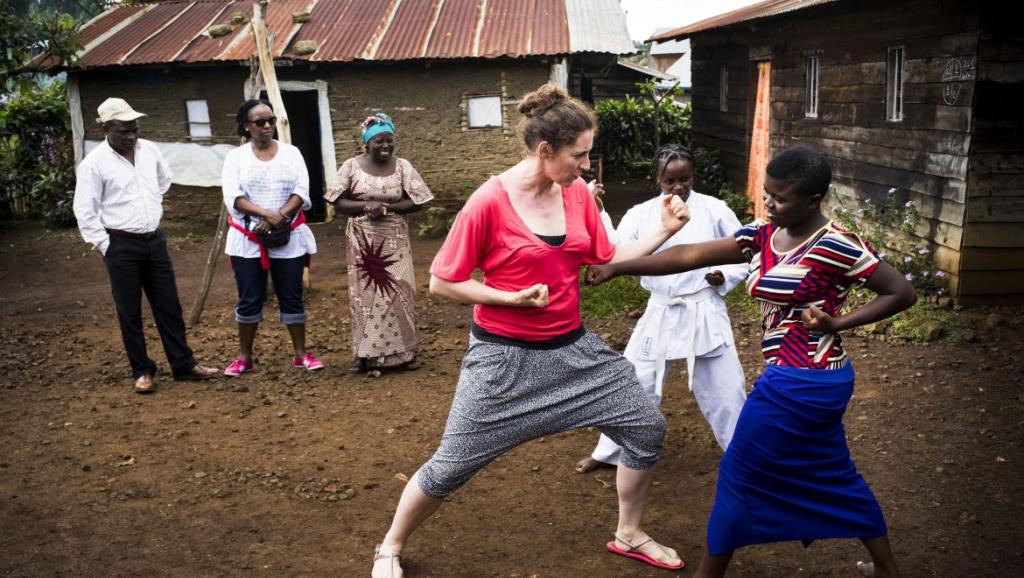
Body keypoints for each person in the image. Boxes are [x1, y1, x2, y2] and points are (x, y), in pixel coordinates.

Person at [370, 84, 691, 578]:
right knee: (452, 465)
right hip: (503, 362)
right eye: (579, 155)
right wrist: (507, 298)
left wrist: (664, 231)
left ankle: (629, 532)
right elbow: (442, 282)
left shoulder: (578, 194)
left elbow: (605, 256)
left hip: (574, 352)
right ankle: (389, 545)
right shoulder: (489, 202)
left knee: (647, 428)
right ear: (545, 151)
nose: (586, 166)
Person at [586, 146, 914, 578]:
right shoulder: (763, 235)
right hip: (790, 375)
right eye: (767, 195)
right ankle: (886, 570)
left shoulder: (837, 245)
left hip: (807, 380)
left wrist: (838, 323)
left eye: (781, 199)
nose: (770, 205)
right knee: (834, 472)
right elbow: (690, 255)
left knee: (739, 473)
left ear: (813, 200)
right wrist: (619, 268)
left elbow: (901, 293)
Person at [575, 144, 748, 475]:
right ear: (658, 179)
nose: (678, 187)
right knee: (633, 382)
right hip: (661, 310)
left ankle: (741, 452)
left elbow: (745, 250)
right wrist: (598, 210)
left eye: (685, 178)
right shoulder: (642, 214)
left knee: (726, 388)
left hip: (704, 307)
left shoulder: (715, 209)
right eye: (670, 181)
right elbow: (617, 250)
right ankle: (609, 450)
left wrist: (722, 275)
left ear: (693, 176)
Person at [73, 98, 219, 393]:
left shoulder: (149, 150)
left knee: (169, 306)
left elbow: (164, 180)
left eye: (134, 128)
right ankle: (142, 371)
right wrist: (106, 245)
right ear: (105, 128)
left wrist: (149, 205)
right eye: (123, 130)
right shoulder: (94, 164)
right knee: (130, 311)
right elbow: (85, 211)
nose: (131, 135)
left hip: (154, 241)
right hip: (120, 245)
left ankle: (183, 364)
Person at [221, 99, 322, 377]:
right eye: (260, 122)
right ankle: (245, 357)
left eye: (271, 121)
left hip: (288, 235)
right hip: (248, 238)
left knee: (291, 295)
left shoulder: (291, 153)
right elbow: (233, 196)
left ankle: (301, 354)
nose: (267, 127)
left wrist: (279, 216)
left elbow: (302, 190)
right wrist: (266, 214)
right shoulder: (236, 158)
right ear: (246, 126)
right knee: (250, 297)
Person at [325, 113, 433, 372]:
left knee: (399, 293)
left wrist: (389, 209)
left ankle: (404, 354)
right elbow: (336, 201)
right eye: (379, 142)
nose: (385, 146)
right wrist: (366, 205)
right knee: (366, 298)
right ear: (366, 144)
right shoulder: (351, 166)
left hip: (395, 242)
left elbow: (421, 199)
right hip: (362, 243)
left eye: (389, 141)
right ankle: (365, 355)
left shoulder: (403, 166)